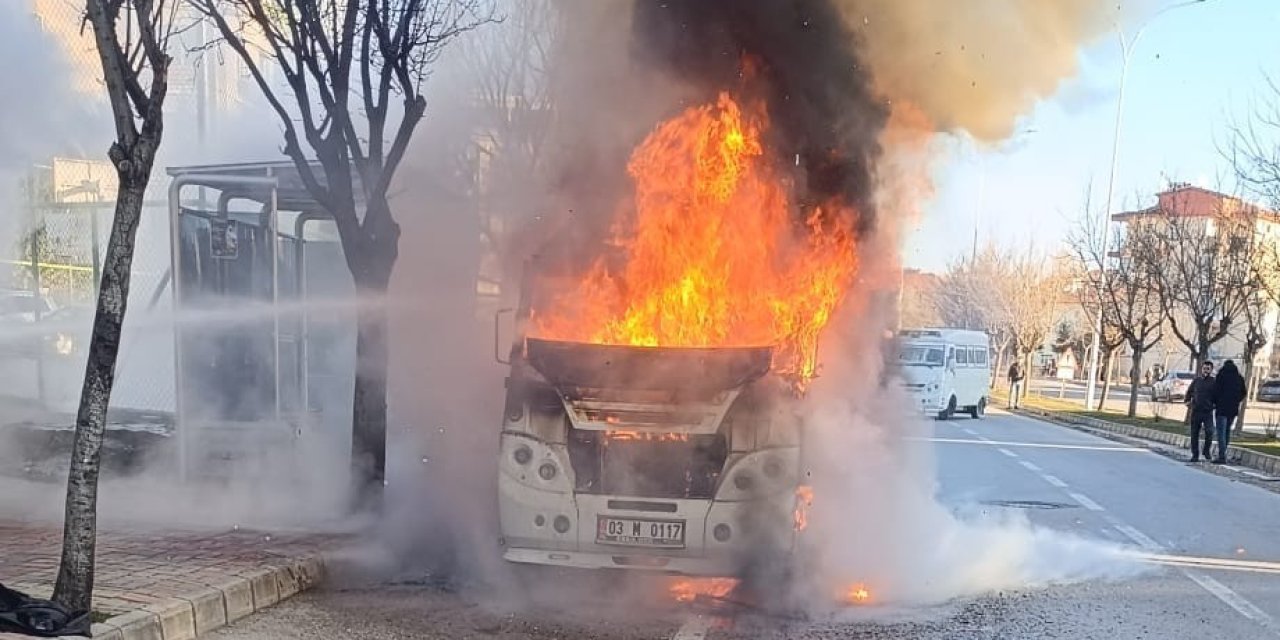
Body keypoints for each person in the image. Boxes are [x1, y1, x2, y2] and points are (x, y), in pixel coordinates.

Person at [1212, 360, 1247, 464]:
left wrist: (1215, 402)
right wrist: (1236, 400)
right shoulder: (1239, 378)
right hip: (1233, 409)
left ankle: (1222, 456)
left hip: (1221, 408)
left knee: (1221, 433)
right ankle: (1223, 453)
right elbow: (1243, 392)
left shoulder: (1221, 375)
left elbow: (1215, 391)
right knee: (1227, 432)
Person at [1184, 360, 1217, 463]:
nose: (1205, 371)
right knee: (1194, 433)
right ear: (1201, 369)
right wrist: (1187, 401)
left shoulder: (1214, 382)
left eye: (1208, 369)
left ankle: (1206, 450)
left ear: (1211, 370)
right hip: (1196, 410)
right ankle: (1195, 455)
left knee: (1209, 431)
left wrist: (1215, 405)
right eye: (1204, 368)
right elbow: (1189, 392)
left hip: (1207, 412)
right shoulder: (1197, 381)